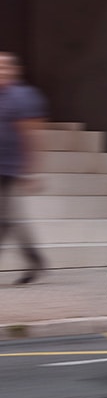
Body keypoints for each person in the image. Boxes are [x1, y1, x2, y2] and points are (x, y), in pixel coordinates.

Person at [0, 52, 47, 283]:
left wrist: (32, 170)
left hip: (10, 166)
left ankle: (34, 260)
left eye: (4, 67)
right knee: (8, 217)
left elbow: (31, 134)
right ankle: (35, 259)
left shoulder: (23, 96)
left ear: (14, 70)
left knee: (5, 216)